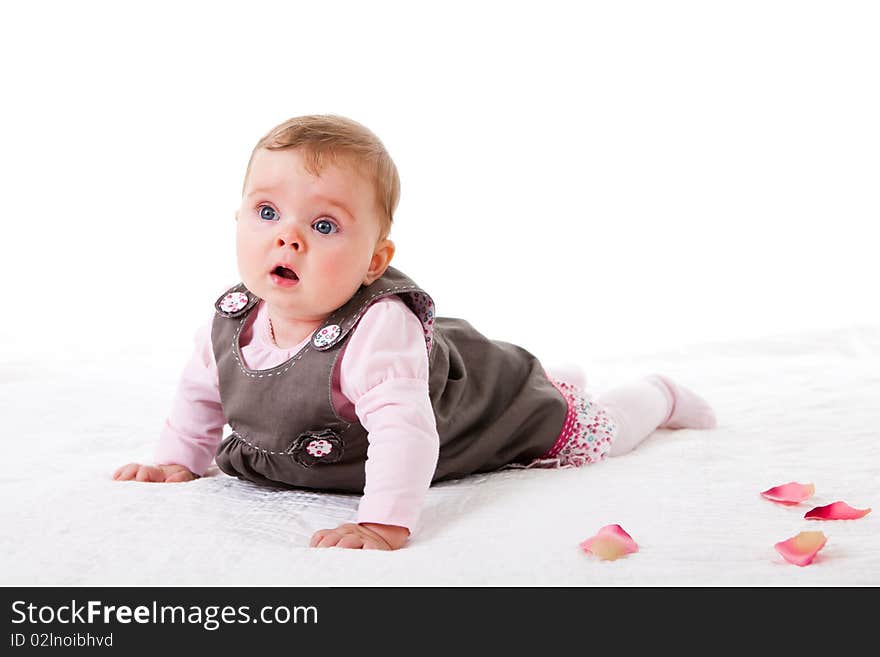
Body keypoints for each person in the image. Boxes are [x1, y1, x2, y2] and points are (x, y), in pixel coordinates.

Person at [113, 114, 718, 550]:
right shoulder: (231, 320)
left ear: (375, 261)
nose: (287, 236)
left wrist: (384, 520)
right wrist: (178, 458)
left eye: (324, 225)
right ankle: (557, 379)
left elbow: (406, 433)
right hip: (437, 380)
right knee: (539, 383)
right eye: (267, 212)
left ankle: (655, 393)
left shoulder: (378, 331)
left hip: (481, 408)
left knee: (585, 431)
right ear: (239, 218)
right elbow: (201, 393)